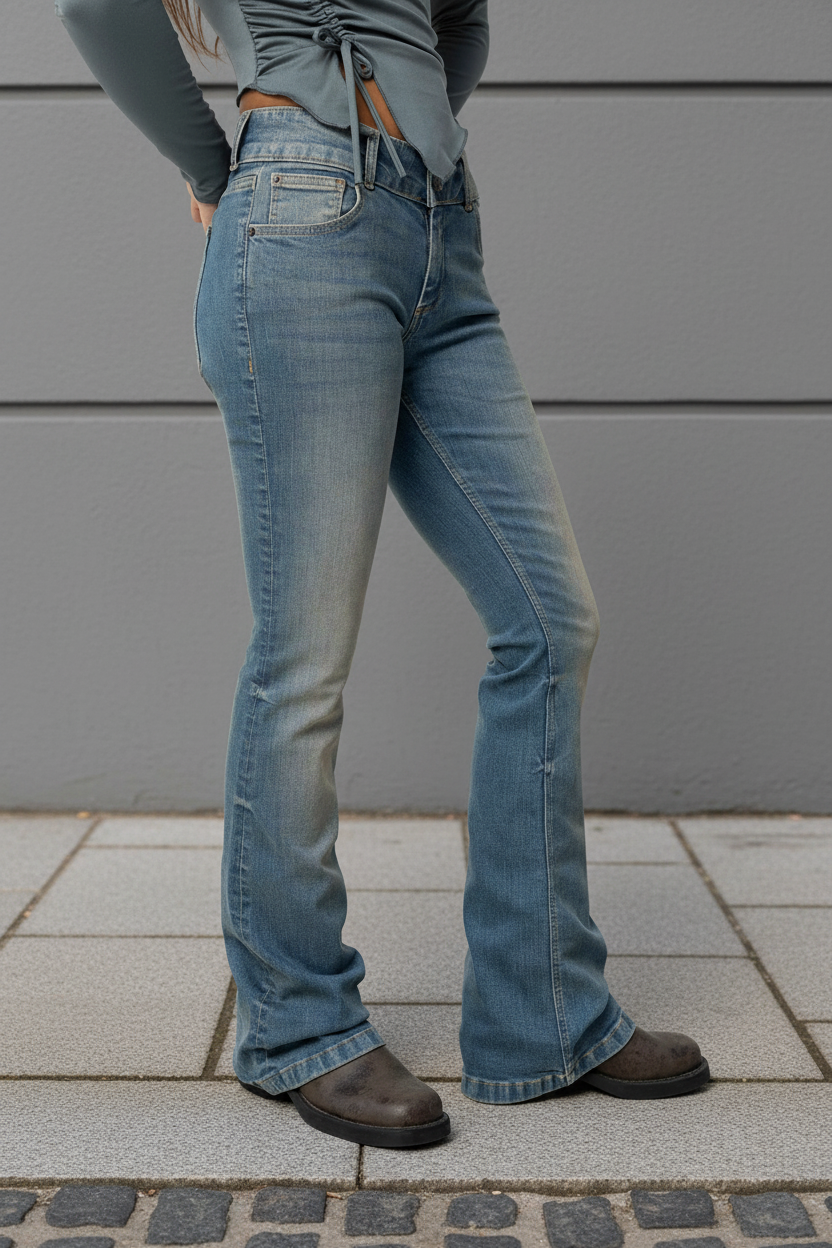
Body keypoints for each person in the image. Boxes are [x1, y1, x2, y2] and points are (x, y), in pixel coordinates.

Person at [55, 0, 710, 1149]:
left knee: (550, 622)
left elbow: (461, 20)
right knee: (305, 656)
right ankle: (299, 1026)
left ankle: (542, 1012)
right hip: (302, 219)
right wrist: (218, 169)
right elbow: (97, 4)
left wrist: (412, 136)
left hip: (440, 233)